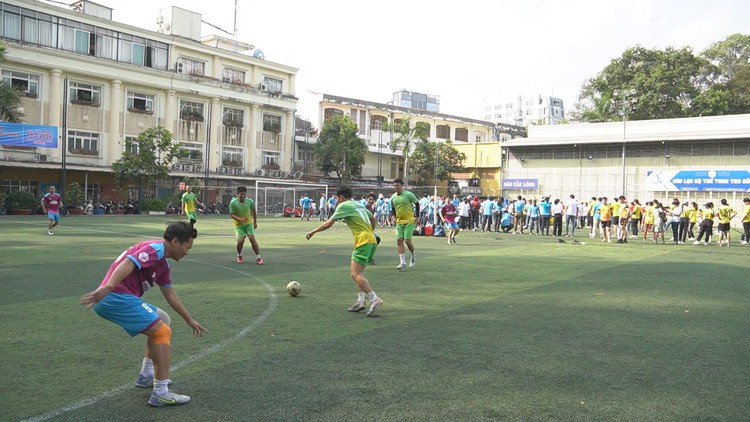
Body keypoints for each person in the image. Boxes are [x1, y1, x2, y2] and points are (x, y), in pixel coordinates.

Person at [79, 221, 207, 407]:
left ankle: (147, 375)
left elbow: (170, 294)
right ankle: (161, 393)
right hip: (115, 297)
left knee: (162, 319)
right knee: (162, 332)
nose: (187, 252)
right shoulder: (155, 249)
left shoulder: (163, 264)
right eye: (187, 247)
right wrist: (107, 287)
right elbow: (128, 263)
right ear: (175, 242)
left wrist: (189, 319)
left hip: (120, 297)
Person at [306, 185, 383, 316]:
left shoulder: (343, 205)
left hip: (363, 241)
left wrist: (313, 231)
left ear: (341, 197)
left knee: (354, 274)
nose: (336, 201)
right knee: (359, 274)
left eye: (337, 198)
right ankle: (360, 301)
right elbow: (373, 218)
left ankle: (374, 299)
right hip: (371, 240)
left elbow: (328, 223)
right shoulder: (357, 204)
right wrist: (371, 231)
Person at [390, 178, 420, 270]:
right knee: (399, 241)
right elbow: (393, 209)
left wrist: (417, 216)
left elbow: (417, 204)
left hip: (409, 221)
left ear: (401, 186)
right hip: (399, 222)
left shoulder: (408, 194)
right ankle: (402, 262)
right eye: (394, 185)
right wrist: (393, 217)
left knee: (407, 241)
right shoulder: (393, 197)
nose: (396, 187)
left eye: (397, 185)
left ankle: (413, 255)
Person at [230, 186, 263, 264]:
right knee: (241, 241)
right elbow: (231, 214)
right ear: (238, 194)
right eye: (241, 194)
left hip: (248, 224)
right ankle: (239, 255)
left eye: (244, 194)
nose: (242, 196)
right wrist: (240, 219)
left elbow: (254, 211)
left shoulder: (250, 201)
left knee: (252, 238)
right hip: (238, 225)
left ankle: (258, 257)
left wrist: (255, 222)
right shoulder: (233, 203)